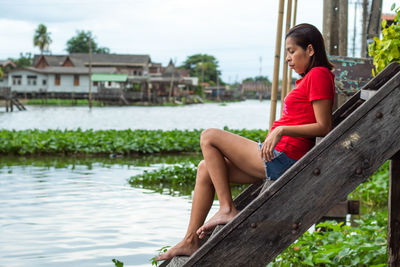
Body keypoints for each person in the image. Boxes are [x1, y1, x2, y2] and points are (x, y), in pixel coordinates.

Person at [156, 23, 335, 261]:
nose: (288, 59)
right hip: (277, 156)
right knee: (204, 169)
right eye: (287, 53)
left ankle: (227, 208)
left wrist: (281, 129)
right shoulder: (306, 79)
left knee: (209, 136)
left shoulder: (319, 75)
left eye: (292, 51)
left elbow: (324, 126)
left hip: (284, 159)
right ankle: (190, 240)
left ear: (310, 50)